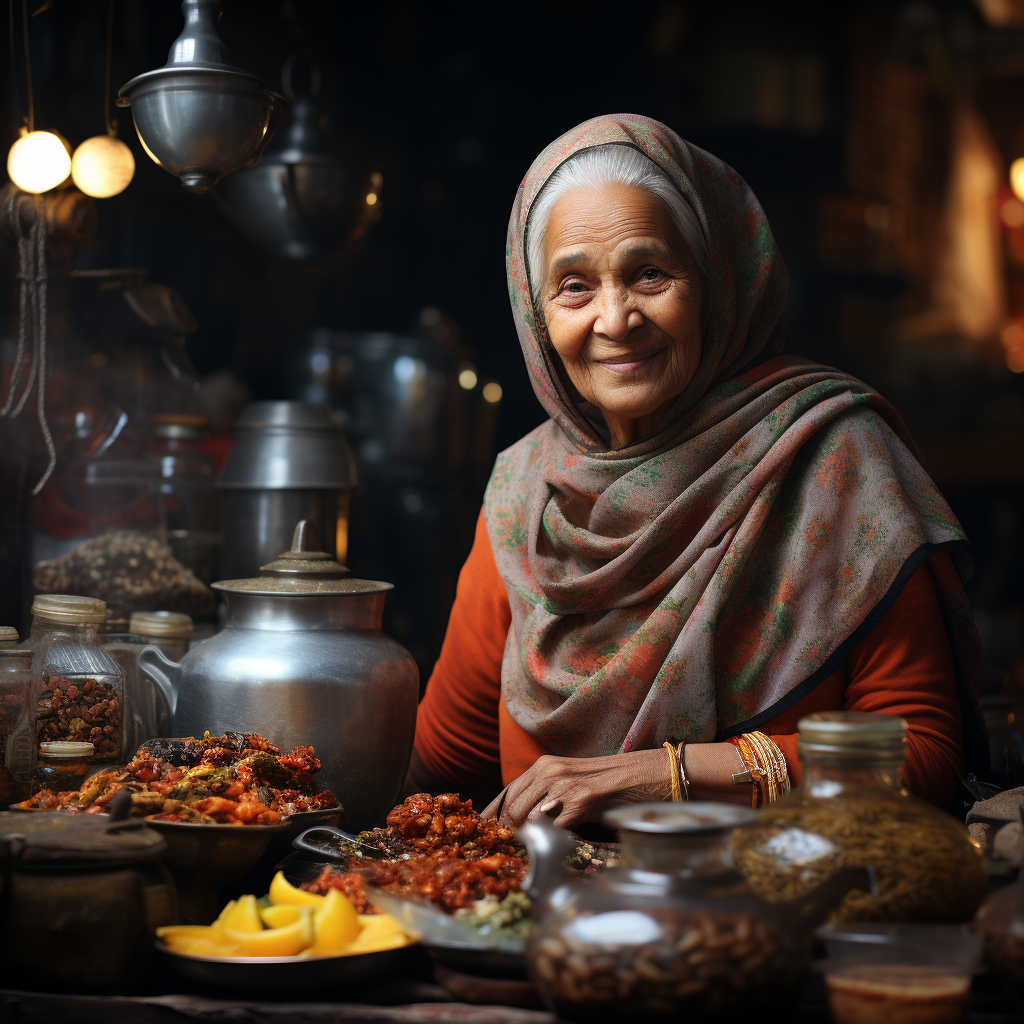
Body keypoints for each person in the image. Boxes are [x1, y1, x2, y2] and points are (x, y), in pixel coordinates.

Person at [410, 114, 985, 828]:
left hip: (769, 916)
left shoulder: (836, 461)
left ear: (716, 280)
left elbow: (922, 757)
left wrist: (665, 777)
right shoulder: (526, 494)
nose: (616, 319)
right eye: (575, 286)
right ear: (535, 312)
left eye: (650, 273)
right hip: (542, 925)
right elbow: (443, 765)